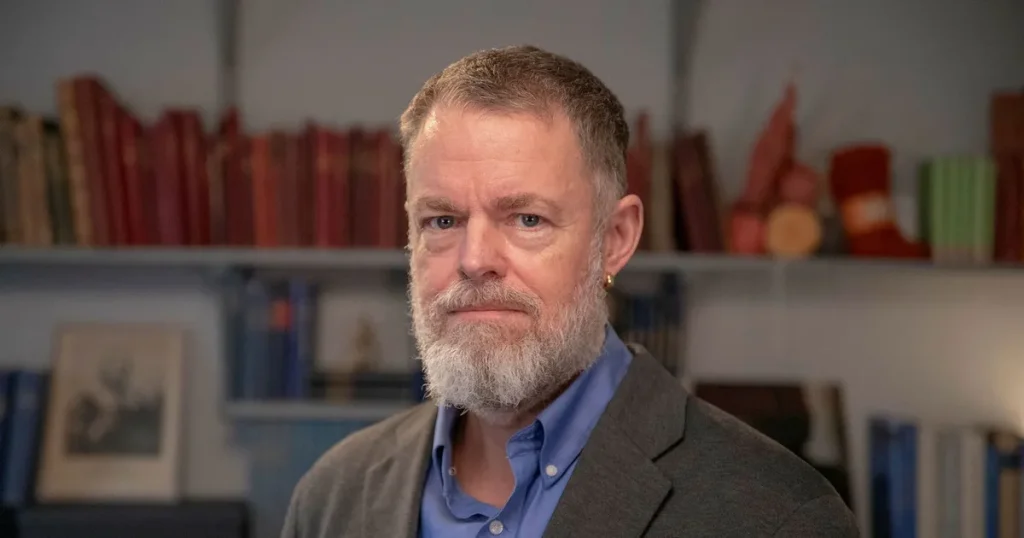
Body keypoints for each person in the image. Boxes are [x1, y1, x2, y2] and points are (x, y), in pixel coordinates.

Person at [281, 45, 859, 538]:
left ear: (615, 239)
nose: (475, 260)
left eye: (527, 219)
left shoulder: (776, 517)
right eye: (442, 221)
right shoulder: (332, 498)